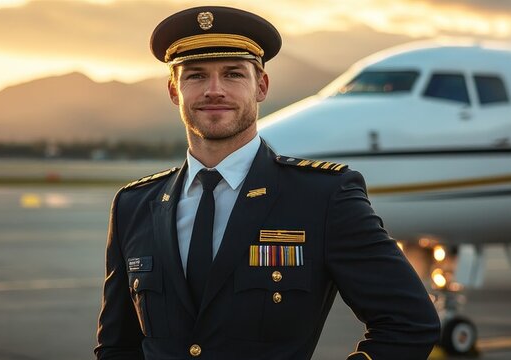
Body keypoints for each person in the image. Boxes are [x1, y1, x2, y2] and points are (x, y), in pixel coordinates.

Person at [95, 6, 440, 360]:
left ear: (261, 86)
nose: (214, 91)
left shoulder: (322, 197)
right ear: (173, 90)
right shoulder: (133, 206)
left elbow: (409, 323)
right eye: (195, 76)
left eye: (233, 74)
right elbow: (116, 345)